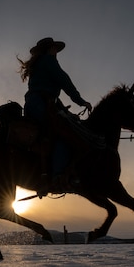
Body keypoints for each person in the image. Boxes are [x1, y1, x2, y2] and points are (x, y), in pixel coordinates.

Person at [18, 37, 92, 197]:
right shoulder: (49, 60)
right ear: (49, 49)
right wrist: (81, 101)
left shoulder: (38, 63)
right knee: (65, 134)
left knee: (52, 132)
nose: (56, 52)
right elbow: (65, 81)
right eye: (54, 49)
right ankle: (58, 176)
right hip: (42, 104)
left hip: (34, 104)